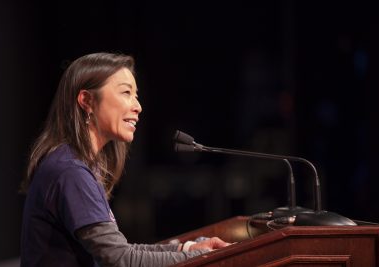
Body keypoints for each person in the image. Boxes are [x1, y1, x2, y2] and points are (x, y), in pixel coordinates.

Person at [20, 52, 230, 266]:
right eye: (126, 92)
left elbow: (121, 251)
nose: (138, 106)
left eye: (135, 94)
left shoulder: (74, 164)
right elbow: (120, 260)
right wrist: (205, 257)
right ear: (86, 100)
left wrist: (186, 248)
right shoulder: (70, 171)